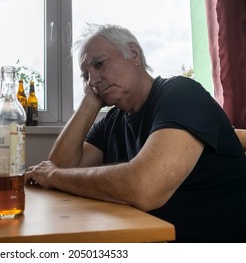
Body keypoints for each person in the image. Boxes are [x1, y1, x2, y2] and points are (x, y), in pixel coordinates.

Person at [25, 24, 246, 243]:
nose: (92, 81)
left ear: (134, 53)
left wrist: (53, 176)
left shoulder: (181, 94)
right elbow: (62, 166)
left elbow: (144, 188)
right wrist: (90, 101)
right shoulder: (112, 120)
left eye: (99, 64)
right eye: (86, 76)